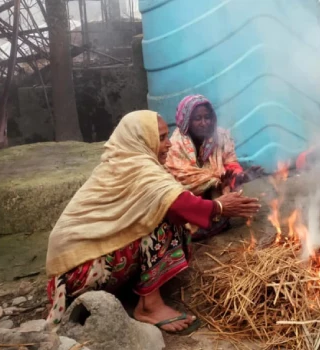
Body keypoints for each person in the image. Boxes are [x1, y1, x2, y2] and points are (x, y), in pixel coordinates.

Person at [45, 111, 260, 334]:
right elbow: (179, 204)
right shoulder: (138, 167)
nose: (169, 144)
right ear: (140, 139)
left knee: (168, 216)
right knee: (161, 222)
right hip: (78, 275)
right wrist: (221, 207)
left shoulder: (124, 161)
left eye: (167, 136)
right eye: (161, 138)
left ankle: (137, 293)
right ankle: (150, 306)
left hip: (76, 272)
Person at [165, 94, 262, 239]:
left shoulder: (220, 136)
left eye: (207, 117)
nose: (204, 123)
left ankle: (218, 219)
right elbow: (181, 179)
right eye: (197, 119)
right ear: (186, 121)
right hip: (190, 211)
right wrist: (216, 180)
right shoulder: (174, 146)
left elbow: (230, 163)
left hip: (217, 205)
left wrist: (240, 176)